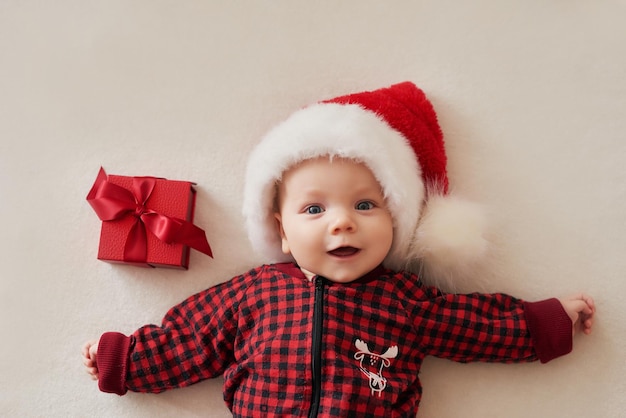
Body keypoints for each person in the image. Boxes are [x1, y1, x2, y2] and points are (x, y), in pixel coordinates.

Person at [82, 82, 595, 417]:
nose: (342, 222)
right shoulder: (253, 293)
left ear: (398, 222)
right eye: (314, 210)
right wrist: (126, 360)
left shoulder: (404, 300)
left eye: (367, 205)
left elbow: (474, 325)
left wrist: (545, 322)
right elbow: (190, 340)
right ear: (280, 231)